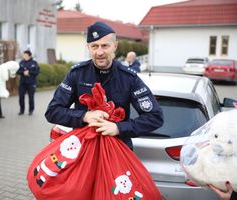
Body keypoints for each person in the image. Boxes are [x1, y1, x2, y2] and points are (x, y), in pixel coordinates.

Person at [45, 21, 163, 149]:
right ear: (88, 48)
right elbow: (53, 111)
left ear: (115, 46)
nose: (99, 52)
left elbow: (154, 117)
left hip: (117, 152)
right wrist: (84, 116)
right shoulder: (77, 74)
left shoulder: (128, 78)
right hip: (83, 151)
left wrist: (119, 128)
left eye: (105, 46)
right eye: (95, 46)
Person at [17, 50, 40, 115]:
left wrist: (29, 72)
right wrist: (23, 73)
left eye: (26, 55)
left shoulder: (34, 63)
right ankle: (21, 110)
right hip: (22, 83)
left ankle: (31, 110)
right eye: (24, 55)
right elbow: (17, 71)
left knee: (31, 97)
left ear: (29, 56)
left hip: (31, 83)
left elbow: (37, 72)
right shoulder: (21, 62)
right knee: (21, 97)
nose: (24, 56)